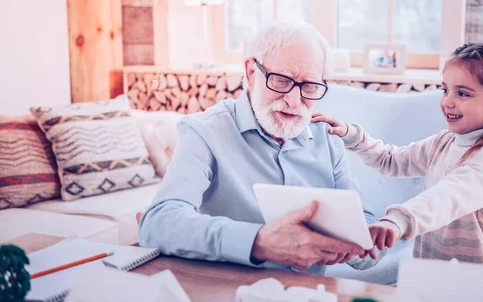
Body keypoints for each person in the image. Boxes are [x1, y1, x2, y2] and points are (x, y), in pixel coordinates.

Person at [139, 21, 379, 273]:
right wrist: (258, 242)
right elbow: (158, 224)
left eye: (309, 87)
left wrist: (359, 244)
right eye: (281, 81)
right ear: (251, 73)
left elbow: (369, 242)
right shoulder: (205, 131)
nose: (294, 101)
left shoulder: (327, 138)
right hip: (229, 291)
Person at [312, 42, 483, 265]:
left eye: (463, 94)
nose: (448, 102)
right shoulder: (443, 142)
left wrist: (399, 220)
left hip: (471, 284)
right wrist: (352, 135)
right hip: (429, 272)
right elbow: (391, 160)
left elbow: (446, 198)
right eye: (445, 90)